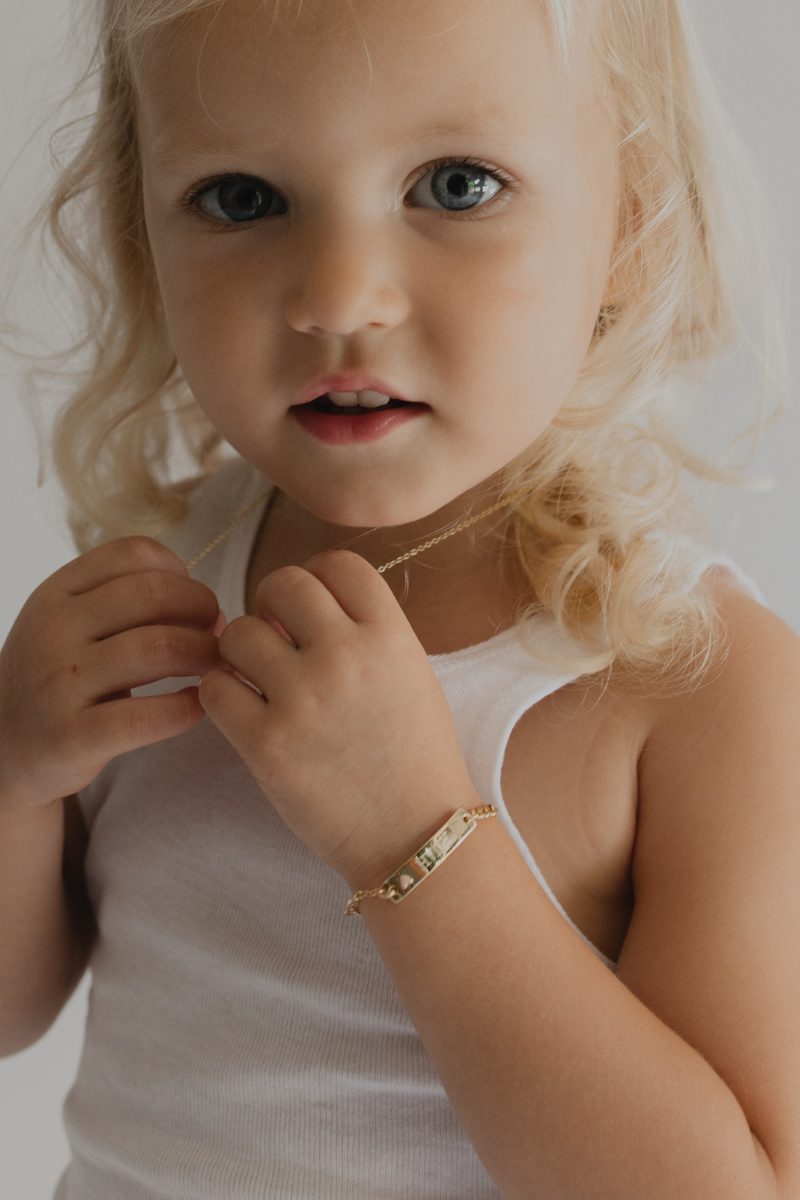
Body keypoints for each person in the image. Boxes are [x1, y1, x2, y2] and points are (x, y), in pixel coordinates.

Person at [1, 0, 799, 1196]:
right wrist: (11, 774)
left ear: (630, 217)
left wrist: (413, 836)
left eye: (457, 186)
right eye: (240, 198)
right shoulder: (159, 592)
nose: (337, 296)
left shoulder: (690, 680)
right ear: (139, 228)